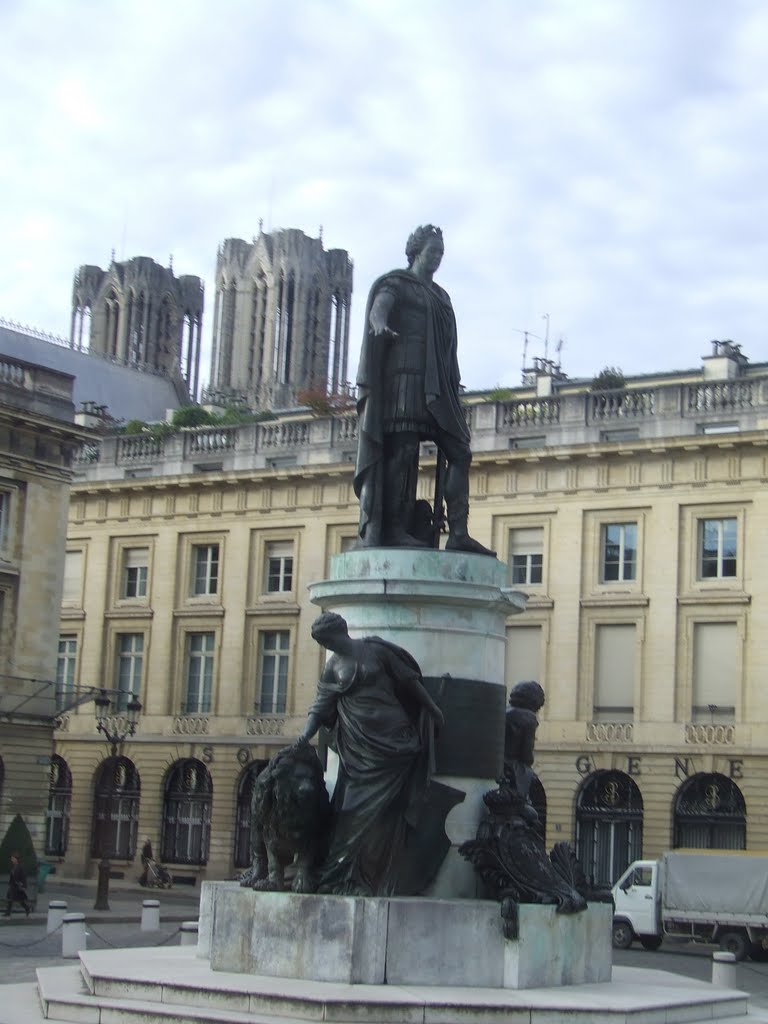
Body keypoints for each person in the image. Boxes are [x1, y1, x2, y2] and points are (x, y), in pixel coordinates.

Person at [354, 224, 494, 555]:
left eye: (441, 253)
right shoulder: (398, 284)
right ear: (416, 252)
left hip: (439, 385)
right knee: (402, 451)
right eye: (433, 251)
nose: (437, 258)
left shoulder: (441, 296)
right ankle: (393, 527)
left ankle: (458, 531)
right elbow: (380, 307)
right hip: (404, 378)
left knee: (460, 451)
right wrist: (378, 323)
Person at [294, 612, 444, 896]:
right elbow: (320, 706)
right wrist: (304, 736)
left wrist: (432, 708)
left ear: (340, 632)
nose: (326, 645)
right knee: (350, 811)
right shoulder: (333, 666)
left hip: (394, 739)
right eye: (322, 642)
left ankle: (369, 875)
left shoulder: (375, 649)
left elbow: (410, 681)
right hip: (359, 748)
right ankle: (345, 876)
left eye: (326, 639)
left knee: (385, 813)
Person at [4, 852, 31, 917]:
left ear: (16, 859)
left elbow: (23, 877)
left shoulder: (20, 867)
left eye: (13, 858)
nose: (12, 860)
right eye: (11, 858)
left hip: (17, 886)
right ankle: (8, 913)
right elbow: (12, 876)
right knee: (10, 899)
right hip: (12, 885)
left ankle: (27, 908)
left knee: (20, 900)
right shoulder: (13, 867)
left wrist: (24, 886)